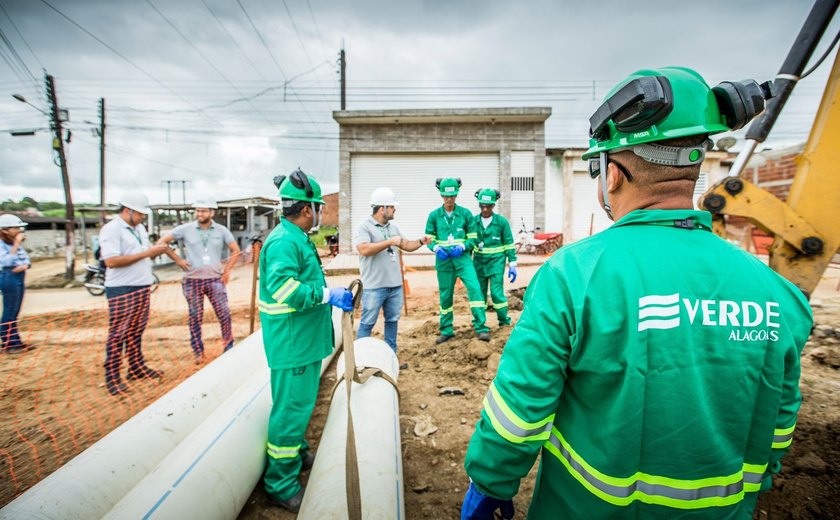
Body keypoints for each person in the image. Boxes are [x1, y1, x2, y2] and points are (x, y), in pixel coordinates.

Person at [461, 67, 812, 519]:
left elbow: (520, 406)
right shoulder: (780, 296)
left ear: (612, 175)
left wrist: (491, 482)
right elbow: (778, 424)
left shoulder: (574, 274)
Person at [259, 168, 353, 512]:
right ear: (305, 209)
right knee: (290, 412)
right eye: (318, 207)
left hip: (303, 341)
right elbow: (285, 289)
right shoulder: (285, 241)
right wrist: (327, 295)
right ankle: (280, 484)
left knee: (299, 406)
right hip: (293, 344)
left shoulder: (294, 236)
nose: (320, 213)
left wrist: (326, 294)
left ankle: (296, 454)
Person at [98, 193, 169, 396]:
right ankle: (112, 377)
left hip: (141, 286)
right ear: (127, 210)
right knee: (118, 333)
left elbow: (140, 253)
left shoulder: (139, 228)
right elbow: (111, 261)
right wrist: (147, 253)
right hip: (122, 289)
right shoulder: (111, 229)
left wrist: (153, 251)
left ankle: (136, 367)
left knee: (136, 330)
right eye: (140, 214)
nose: (142, 217)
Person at [354, 187, 431, 368]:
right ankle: (359, 361)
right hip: (374, 286)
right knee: (367, 323)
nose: (394, 210)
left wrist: (421, 242)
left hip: (395, 286)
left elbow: (406, 245)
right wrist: (388, 242)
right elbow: (363, 249)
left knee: (392, 322)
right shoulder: (364, 227)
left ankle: (390, 359)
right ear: (382, 209)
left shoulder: (392, 228)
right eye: (392, 207)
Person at [158, 196, 240, 364]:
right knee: (195, 316)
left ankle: (228, 345)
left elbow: (235, 250)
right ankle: (198, 350)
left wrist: (227, 270)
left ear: (212, 212)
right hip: (192, 280)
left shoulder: (221, 230)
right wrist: (178, 260)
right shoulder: (186, 229)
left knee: (224, 313)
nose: (199, 214)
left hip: (215, 280)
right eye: (197, 211)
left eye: (203, 211)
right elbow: (162, 242)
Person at [425, 177, 490, 344]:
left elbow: (473, 238)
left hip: (463, 259)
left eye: (452, 196)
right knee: (446, 295)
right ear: (441, 195)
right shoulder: (434, 216)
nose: (449, 199)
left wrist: (462, 246)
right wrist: (436, 248)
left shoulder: (465, 214)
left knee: (475, 289)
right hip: (444, 261)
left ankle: (481, 327)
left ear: (456, 195)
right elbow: (429, 238)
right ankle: (446, 329)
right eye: (446, 196)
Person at [470, 189, 517, 327]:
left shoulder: (501, 222)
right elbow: (469, 243)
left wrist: (512, 263)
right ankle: (480, 323)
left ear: (493, 205)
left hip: (496, 262)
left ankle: (503, 321)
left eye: (488, 206)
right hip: (478, 263)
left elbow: (508, 243)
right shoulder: (473, 222)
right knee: (479, 294)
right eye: (482, 206)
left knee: (496, 293)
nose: (485, 209)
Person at [0, 214, 33, 354]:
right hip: (8, 276)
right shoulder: (4, 244)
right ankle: (8, 343)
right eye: (16, 228)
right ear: (5, 230)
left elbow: (25, 259)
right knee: (9, 310)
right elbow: (6, 261)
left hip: (18, 275)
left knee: (15, 311)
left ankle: (16, 341)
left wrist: (25, 265)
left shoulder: (12, 244)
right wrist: (16, 244)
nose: (20, 231)